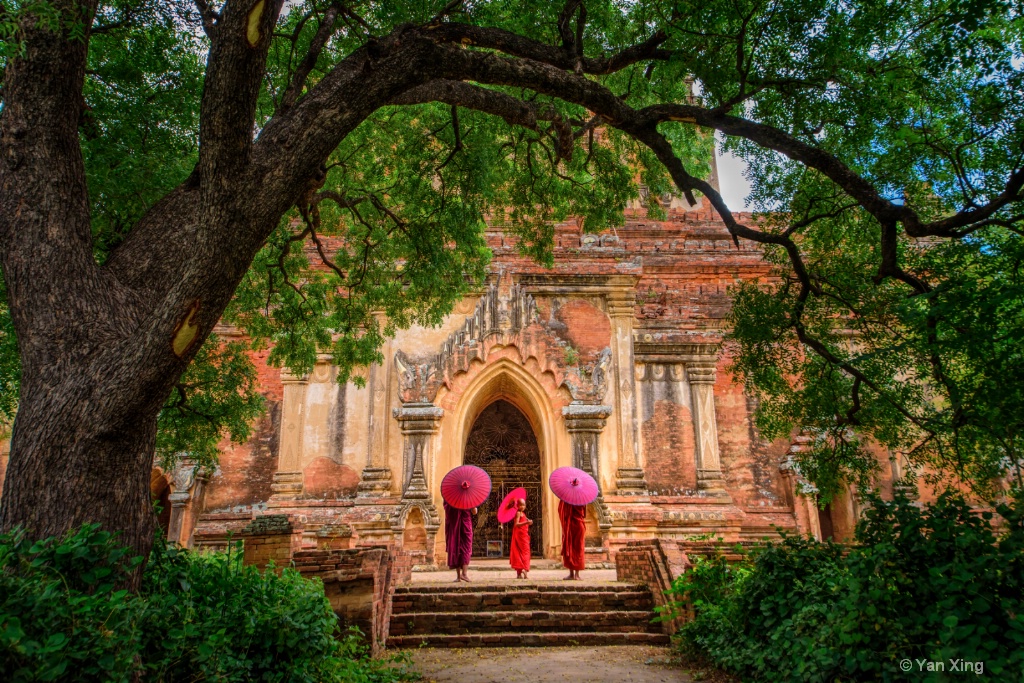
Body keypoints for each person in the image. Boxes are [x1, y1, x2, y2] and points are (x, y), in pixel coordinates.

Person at [443, 501, 476, 582]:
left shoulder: (451, 497)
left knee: (456, 546)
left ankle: (459, 576)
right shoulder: (468, 497)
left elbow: (446, 509)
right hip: (463, 525)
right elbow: (474, 512)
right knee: (465, 547)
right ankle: (464, 574)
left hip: (454, 524)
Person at [558, 499, 586, 580]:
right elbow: (584, 514)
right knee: (578, 549)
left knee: (570, 547)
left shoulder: (567, 499)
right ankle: (576, 575)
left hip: (570, 526)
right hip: (579, 525)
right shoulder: (583, 499)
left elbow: (561, 511)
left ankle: (572, 574)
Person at [509, 498, 532, 579]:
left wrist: (528, 521)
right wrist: (526, 522)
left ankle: (522, 573)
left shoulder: (523, 513)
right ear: (517, 506)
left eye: (524, 505)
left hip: (524, 535)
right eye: (521, 505)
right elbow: (516, 524)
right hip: (520, 536)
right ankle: (521, 572)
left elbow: (523, 523)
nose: (522, 506)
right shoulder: (518, 513)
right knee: (523, 552)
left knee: (524, 552)